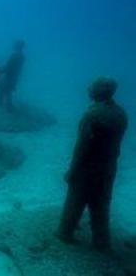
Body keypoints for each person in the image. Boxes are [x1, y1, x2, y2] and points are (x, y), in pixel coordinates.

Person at [57, 78, 128, 251]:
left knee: (75, 200)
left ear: (98, 92)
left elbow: (82, 148)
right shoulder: (120, 113)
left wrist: (72, 171)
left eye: (92, 87)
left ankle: (65, 232)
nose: (88, 88)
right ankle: (101, 241)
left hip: (87, 169)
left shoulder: (92, 115)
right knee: (101, 203)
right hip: (108, 168)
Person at [0, 40, 25, 111]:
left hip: (9, 75)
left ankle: (5, 106)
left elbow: (8, 67)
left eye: (15, 45)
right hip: (15, 76)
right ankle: (7, 106)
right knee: (8, 90)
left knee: (4, 89)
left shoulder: (14, 56)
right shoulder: (22, 56)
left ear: (17, 46)